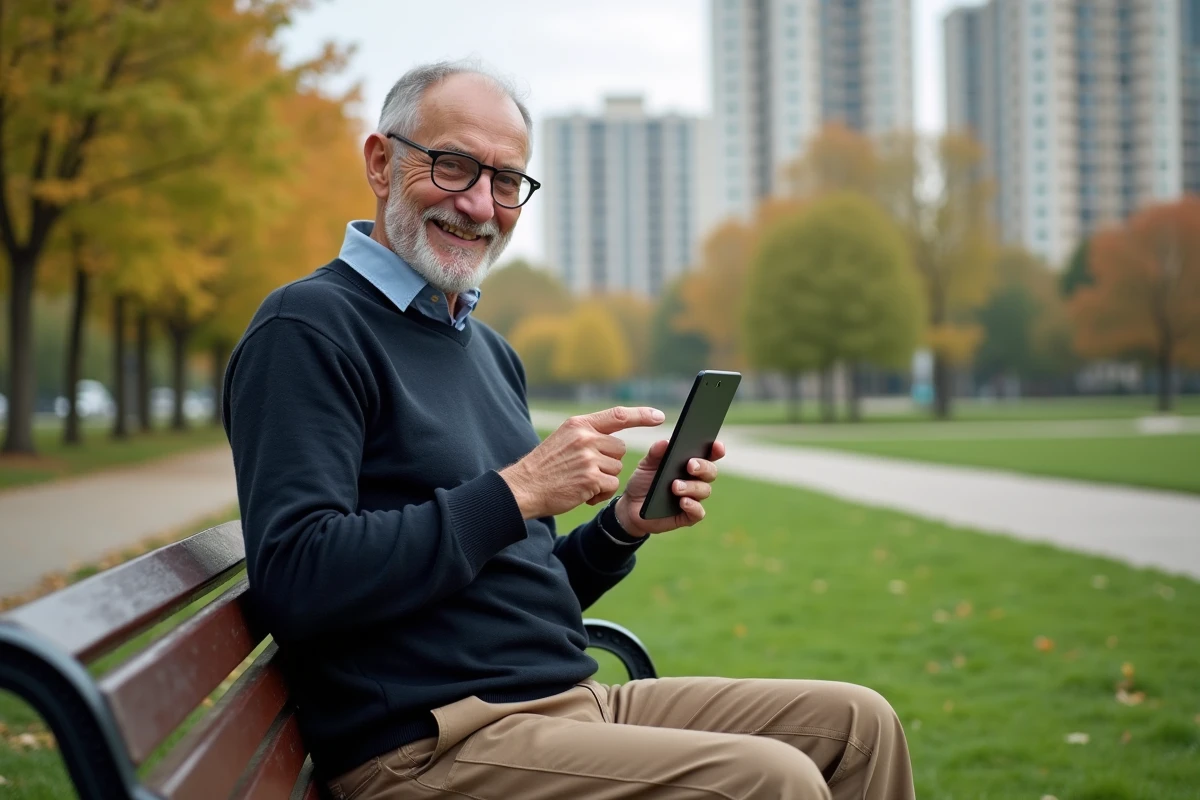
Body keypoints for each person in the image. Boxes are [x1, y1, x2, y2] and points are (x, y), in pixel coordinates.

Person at [223, 60, 915, 800]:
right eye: (454, 166)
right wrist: (519, 489)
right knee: (767, 781)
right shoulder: (308, 329)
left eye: (506, 181)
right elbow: (296, 576)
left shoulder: (488, 353)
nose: (480, 205)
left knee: (857, 726)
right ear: (381, 162)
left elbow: (518, 588)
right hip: (426, 744)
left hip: (566, 705)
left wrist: (621, 526)